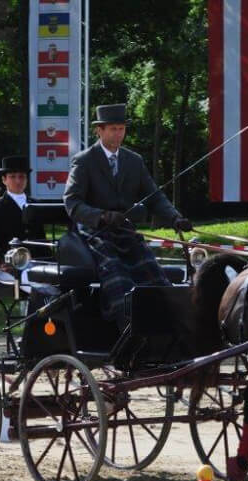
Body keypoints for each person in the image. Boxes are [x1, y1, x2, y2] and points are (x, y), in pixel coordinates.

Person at [63, 103, 192, 329]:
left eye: (121, 128)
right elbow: (72, 203)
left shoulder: (134, 161)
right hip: (95, 233)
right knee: (118, 275)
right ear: (99, 131)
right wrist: (102, 216)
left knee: (154, 274)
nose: (118, 134)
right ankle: (125, 328)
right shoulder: (84, 161)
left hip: (124, 231)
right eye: (112, 129)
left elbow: (154, 196)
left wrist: (174, 218)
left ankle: (165, 329)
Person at [0, 155, 33, 270]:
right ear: (4, 180)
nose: (18, 181)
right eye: (12, 177)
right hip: (13, 265)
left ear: (27, 179)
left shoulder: (36, 204)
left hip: (40, 263)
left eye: (21, 176)